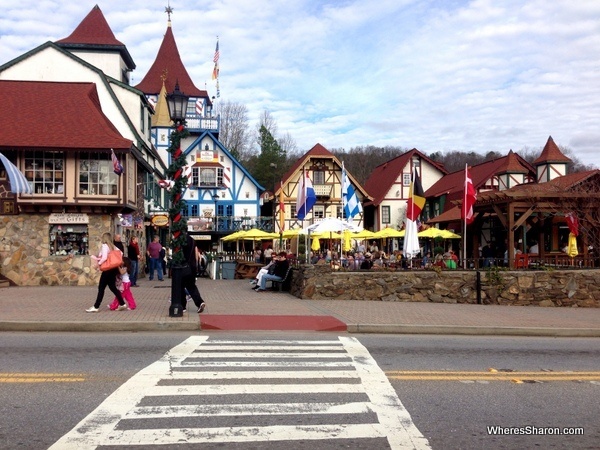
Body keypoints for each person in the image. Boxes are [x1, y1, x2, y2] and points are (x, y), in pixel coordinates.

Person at [87, 232, 127, 312]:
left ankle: (96, 306)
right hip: (114, 268)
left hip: (108, 269)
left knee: (101, 288)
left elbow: (104, 257)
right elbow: (121, 253)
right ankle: (122, 304)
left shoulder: (105, 246)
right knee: (112, 287)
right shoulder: (113, 246)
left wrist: (99, 264)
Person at [181, 233, 207, 313]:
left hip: (183, 267)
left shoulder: (180, 240)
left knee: (180, 286)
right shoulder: (192, 240)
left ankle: (182, 306)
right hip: (192, 267)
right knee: (191, 286)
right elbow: (196, 254)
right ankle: (200, 302)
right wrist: (196, 266)